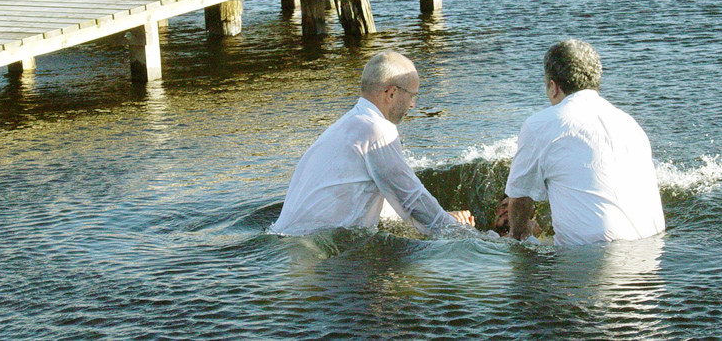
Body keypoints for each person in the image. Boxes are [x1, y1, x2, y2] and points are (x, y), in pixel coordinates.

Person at [271, 51, 474, 236]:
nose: (413, 104)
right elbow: (411, 198)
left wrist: (445, 217)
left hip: (287, 240)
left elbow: (380, 197)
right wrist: (468, 236)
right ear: (391, 93)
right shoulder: (376, 130)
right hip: (312, 250)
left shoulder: (347, 126)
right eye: (412, 96)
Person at [505, 39, 665, 246]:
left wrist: (517, 237)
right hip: (652, 256)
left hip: (592, 258)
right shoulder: (630, 124)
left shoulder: (540, 124)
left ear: (553, 86)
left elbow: (519, 199)